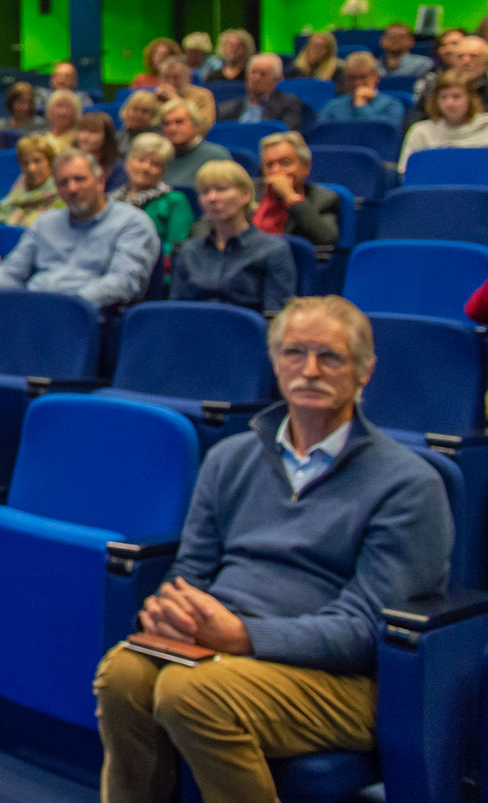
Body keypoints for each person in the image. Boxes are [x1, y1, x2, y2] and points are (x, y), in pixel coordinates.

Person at [94, 296, 451, 803]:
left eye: (330, 357)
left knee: (190, 692)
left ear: (364, 372)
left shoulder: (409, 484)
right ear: (275, 363)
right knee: (123, 672)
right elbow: (191, 570)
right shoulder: (230, 458)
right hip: (223, 648)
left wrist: (243, 636)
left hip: (339, 680)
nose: (309, 370)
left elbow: (364, 632)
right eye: (294, 353)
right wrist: (172, 609)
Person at [0, 149, 159, 317]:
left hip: (88, 315)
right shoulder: (46, 222)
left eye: (79, 179)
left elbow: (123, 282)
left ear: (99, 181)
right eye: (63, 183)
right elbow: (12, 270)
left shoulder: (133, 223)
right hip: (32, 309)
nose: (72, 188)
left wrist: (68, 305)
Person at [171, 161, 297, 313]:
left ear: (245, 195)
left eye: (221, 189)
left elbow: (275, 316)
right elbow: (176, 312)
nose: (212, 198)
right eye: (204, 192)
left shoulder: (272, 249)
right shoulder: (189, 251)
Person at [247, 132, 340, 249]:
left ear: (306, 166)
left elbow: (326, 238)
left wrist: (290, 196)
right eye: (269, 165)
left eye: (285, 163)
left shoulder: (324, 199)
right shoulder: (249, 192)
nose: (276, 171)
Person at [111, 132, 192, 254]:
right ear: (128, 162)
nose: (146, 168)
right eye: (141, 160)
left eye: (155, 164)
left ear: (163, 171)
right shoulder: (110, 199)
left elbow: (176, 248)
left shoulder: (175, 201)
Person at [400, 68, 488, 166]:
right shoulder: (420, 131)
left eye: (456, 96)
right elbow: (407, 174)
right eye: (443, 97)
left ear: (471, 99)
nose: (449, 103)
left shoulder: (486, 128)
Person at [216, 54, 306, 131]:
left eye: (263, 74)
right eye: (253, 73)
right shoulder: (227, 109)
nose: (256, 78)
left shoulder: (288, 103)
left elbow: (287, 133)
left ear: (277, 80)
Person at [313, 52, 403, 126]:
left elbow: (380, 134)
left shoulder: (392, 106)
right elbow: (321, 135)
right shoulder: (332, 106)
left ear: (376, 78)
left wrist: (361, 105)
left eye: (363, 77)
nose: (357, 83)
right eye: (352, 77)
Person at [0, 133, 64, 226]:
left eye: (37, 161)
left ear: (50, 162)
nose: (31, 168)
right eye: (25, 163)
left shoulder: (62, 196)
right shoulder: (16, 192)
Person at [158, 100, 232, 188]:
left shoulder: (216, 156)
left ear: (196, 124)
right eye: (166, 124)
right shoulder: (159, 157)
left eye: (179, 122)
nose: (172, 128)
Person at [412, 34, 488, 114]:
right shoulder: (436, 84)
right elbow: (415, 115)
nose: (466, 61)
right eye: (460, 56)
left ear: (486, 60)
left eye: (474, 56)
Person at [155, 56, 214, 131]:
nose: (171, 82)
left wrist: (175, 99)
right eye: (166, 78)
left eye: (176, 78)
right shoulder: (153, 98)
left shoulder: (202, 95)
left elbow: (205, 125)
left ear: (189, 78)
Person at [76, 110, 125, 190]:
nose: (84, 136)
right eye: (82, 130)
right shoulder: (71, 163)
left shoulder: (118, 167)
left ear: (107, 137)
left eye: (92, 131)